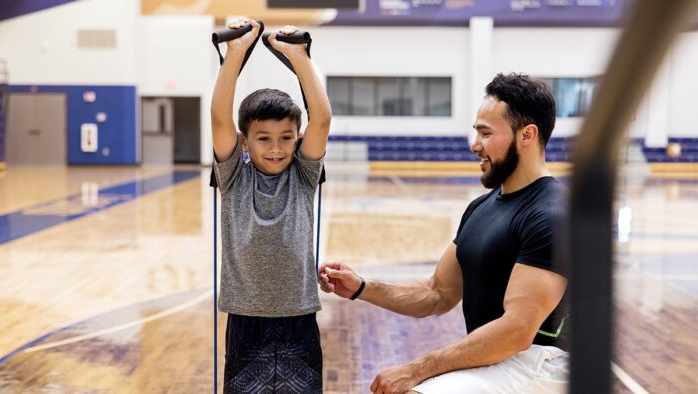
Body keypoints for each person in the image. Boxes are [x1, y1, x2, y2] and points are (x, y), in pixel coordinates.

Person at [319, 73, 570, 394]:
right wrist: (363, 288)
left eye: (486, 133)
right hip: (498, 361)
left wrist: (416, 369)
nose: (474, 145)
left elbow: (517, 331)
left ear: (527, 135)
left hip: (540, 363)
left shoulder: (551, 214)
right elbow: (438, 293)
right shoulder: (480, 208)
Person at [211, 18, 331, 393]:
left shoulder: (303, 175)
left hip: (298, 316)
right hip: (246, 318)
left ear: (297, 138)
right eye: (263, 138)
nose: (276, 148)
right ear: (244, 141)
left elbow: (322, 118)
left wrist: (299, 57)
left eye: (286, 137)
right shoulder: (234, 176)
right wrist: (235, 53)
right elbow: (218, 116)